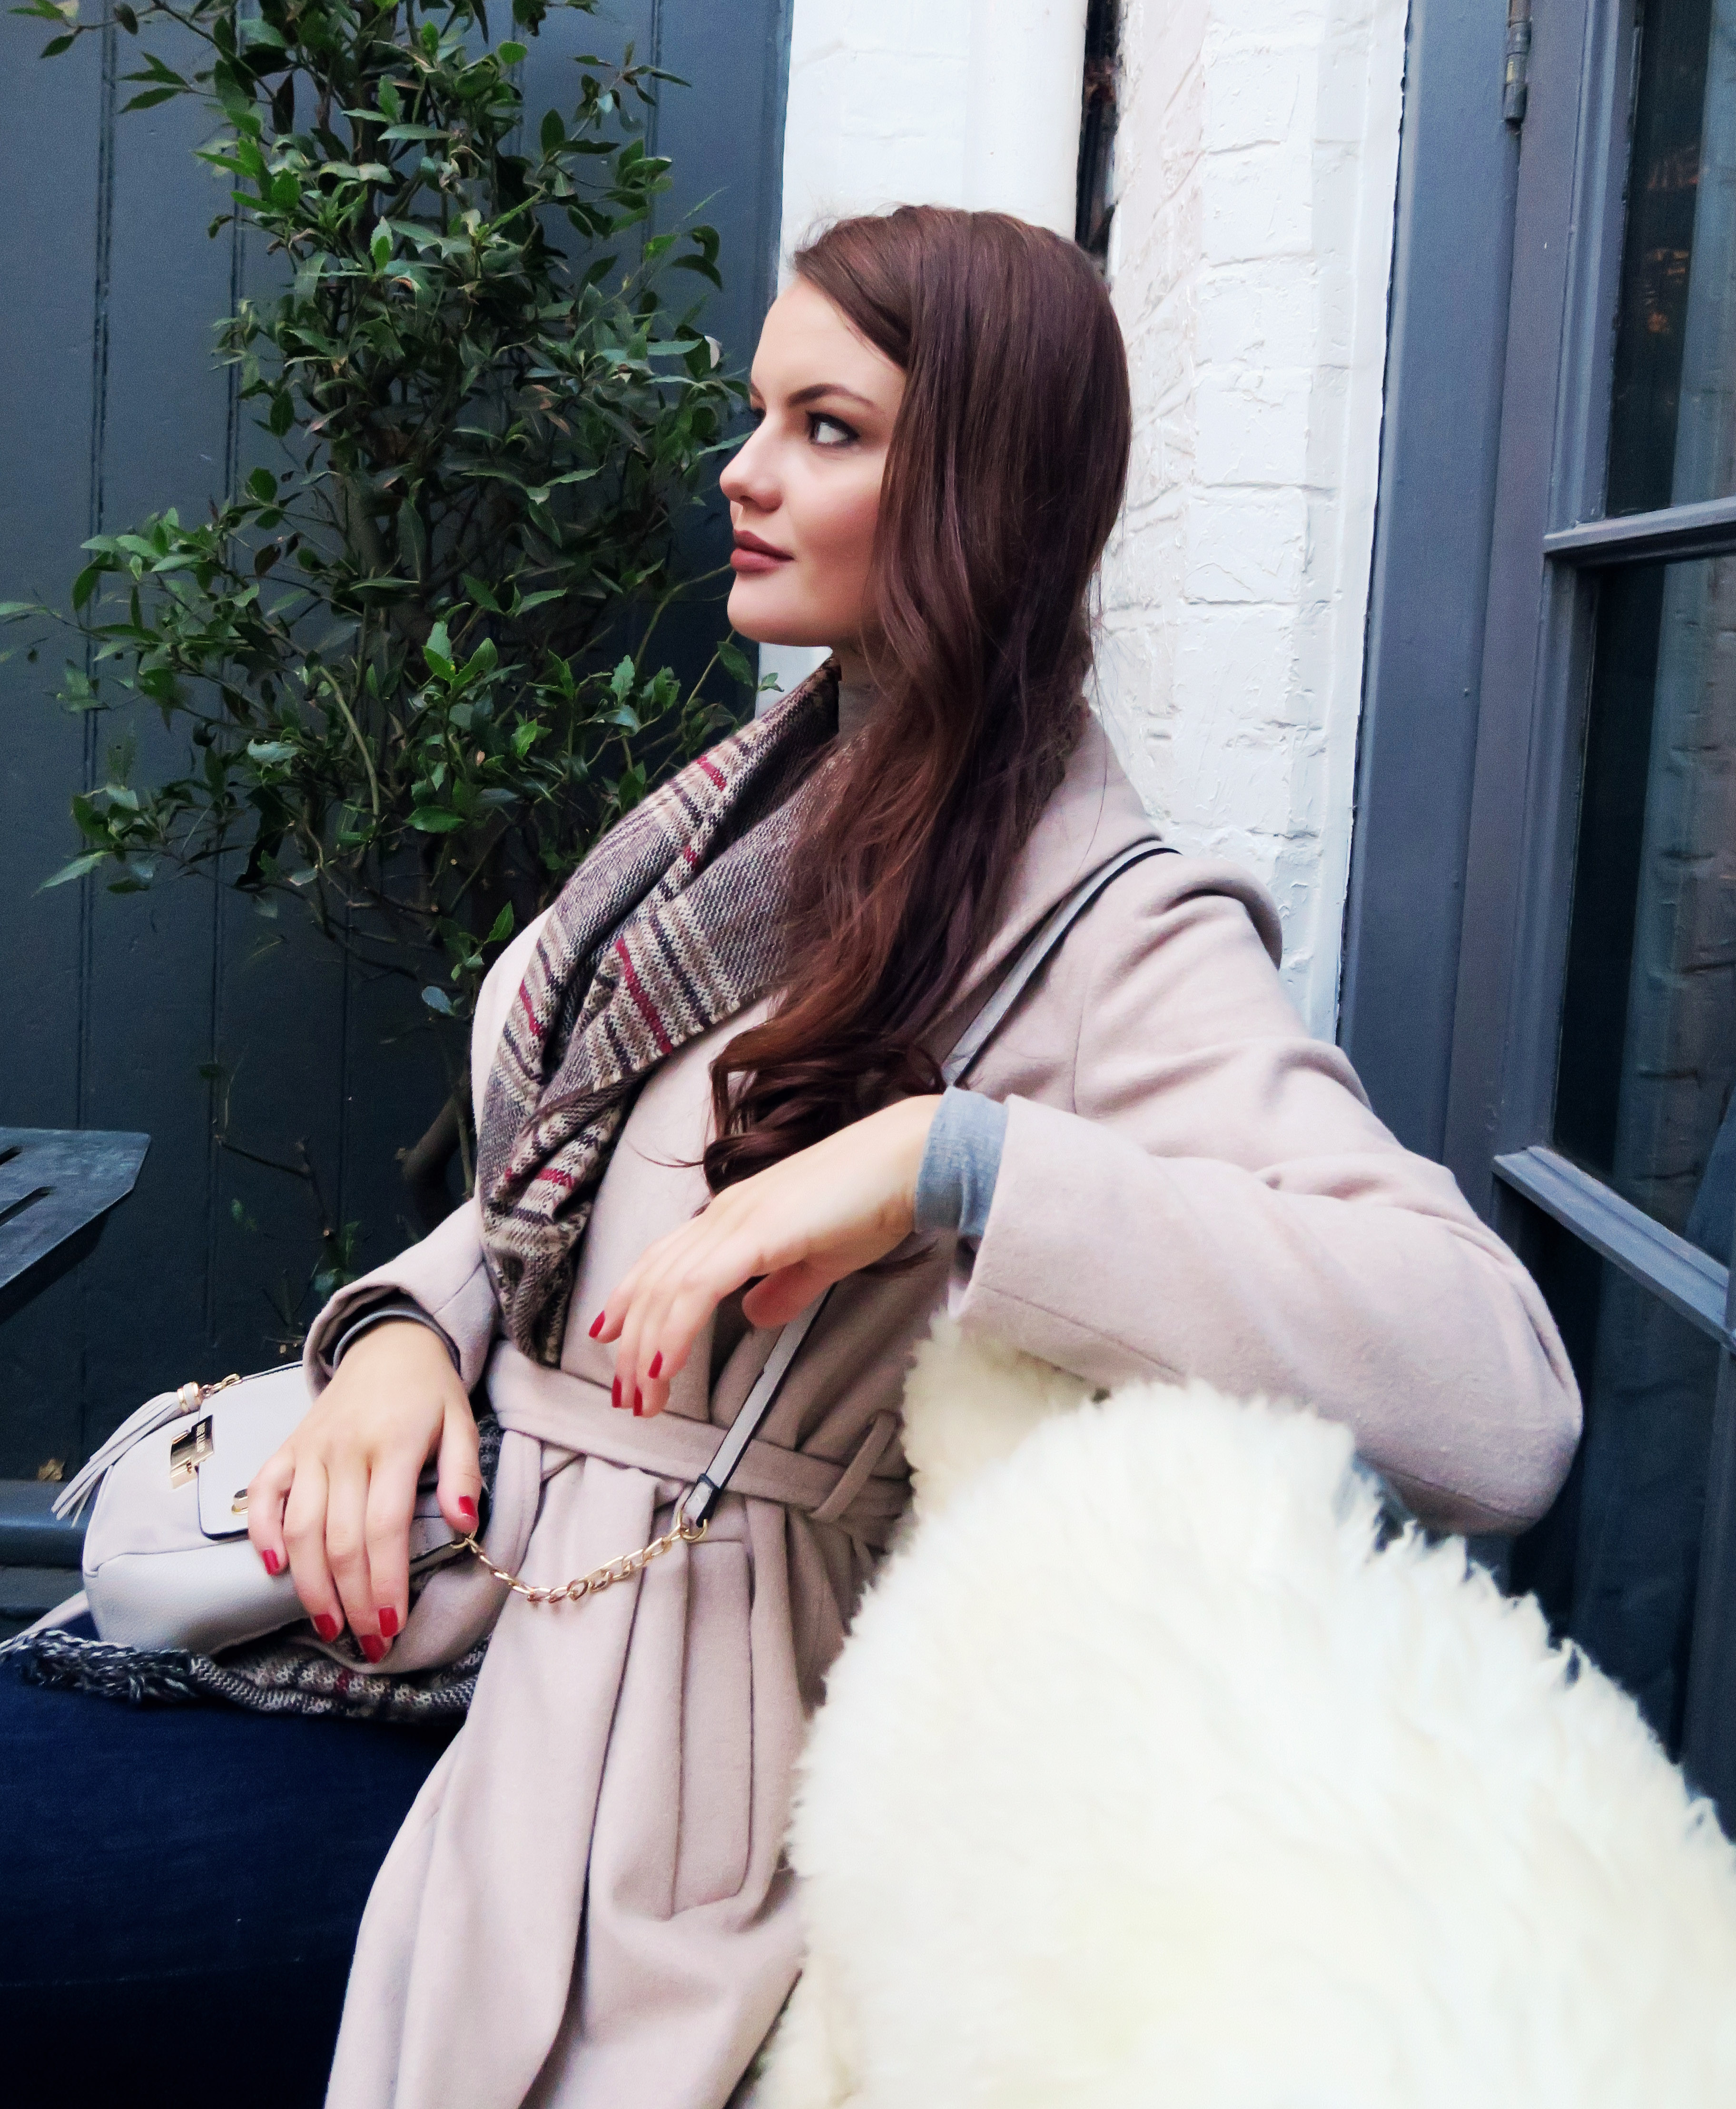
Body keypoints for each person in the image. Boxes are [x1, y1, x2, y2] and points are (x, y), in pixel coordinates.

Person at [1, 208, 1581, 2109]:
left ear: (986, 486)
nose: (743, 473)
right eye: (760, 415)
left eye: (827, 428)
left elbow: (1500, 1399)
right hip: (438, 1612)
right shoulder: (748, 818)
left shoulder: (1109, 932)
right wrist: (403, 1336)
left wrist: (956, 1161)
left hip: (636, 1786)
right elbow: (568, 1203)